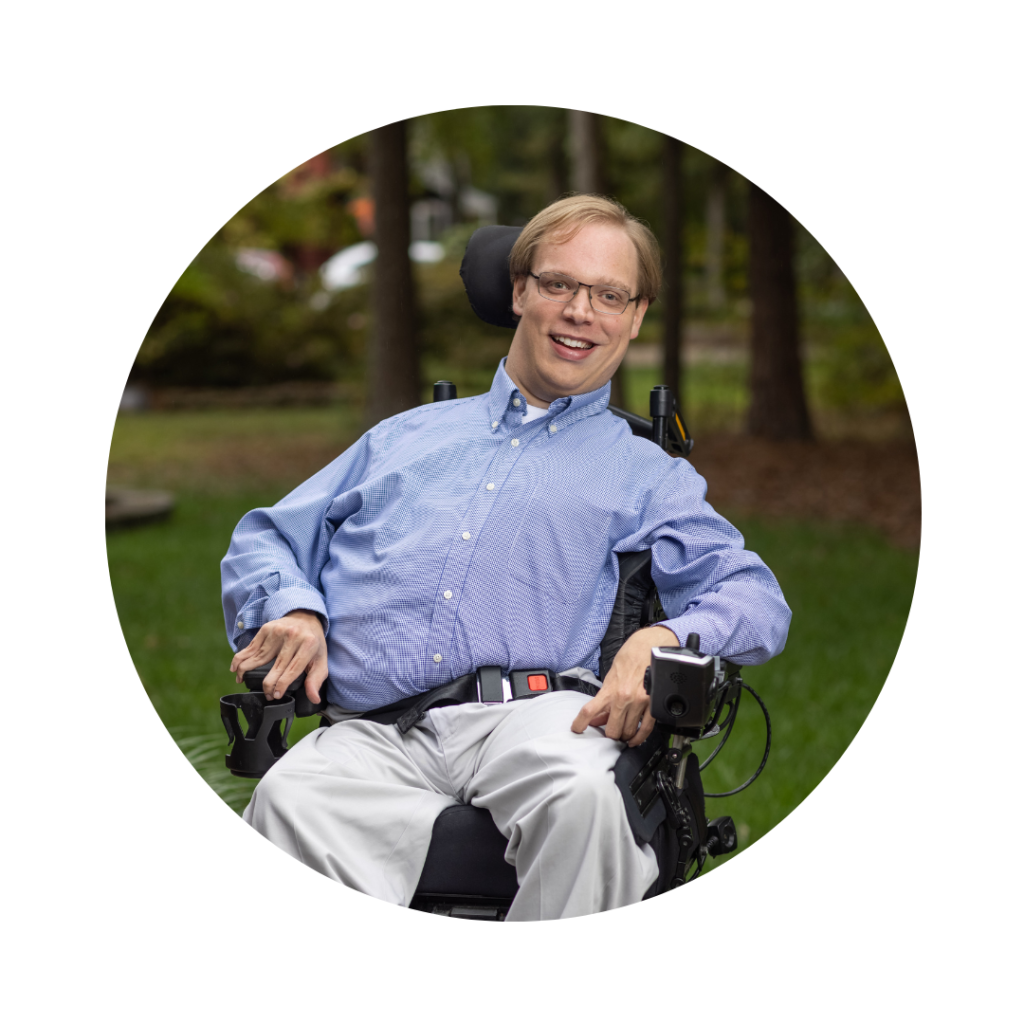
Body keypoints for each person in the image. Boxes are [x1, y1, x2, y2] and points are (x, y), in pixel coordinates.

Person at [222, 194, 791, 921]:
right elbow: (267, 536)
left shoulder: (648, 474)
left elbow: (754, 598)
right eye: (559, 285)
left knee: (587, 797)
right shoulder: (403, 438)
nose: (582, 311)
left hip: (539, 723)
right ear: (520, 290)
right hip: (371, 732)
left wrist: (664, 638)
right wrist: (293, 609)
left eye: (608, 294)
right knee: (287, 800)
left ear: (636, 315)